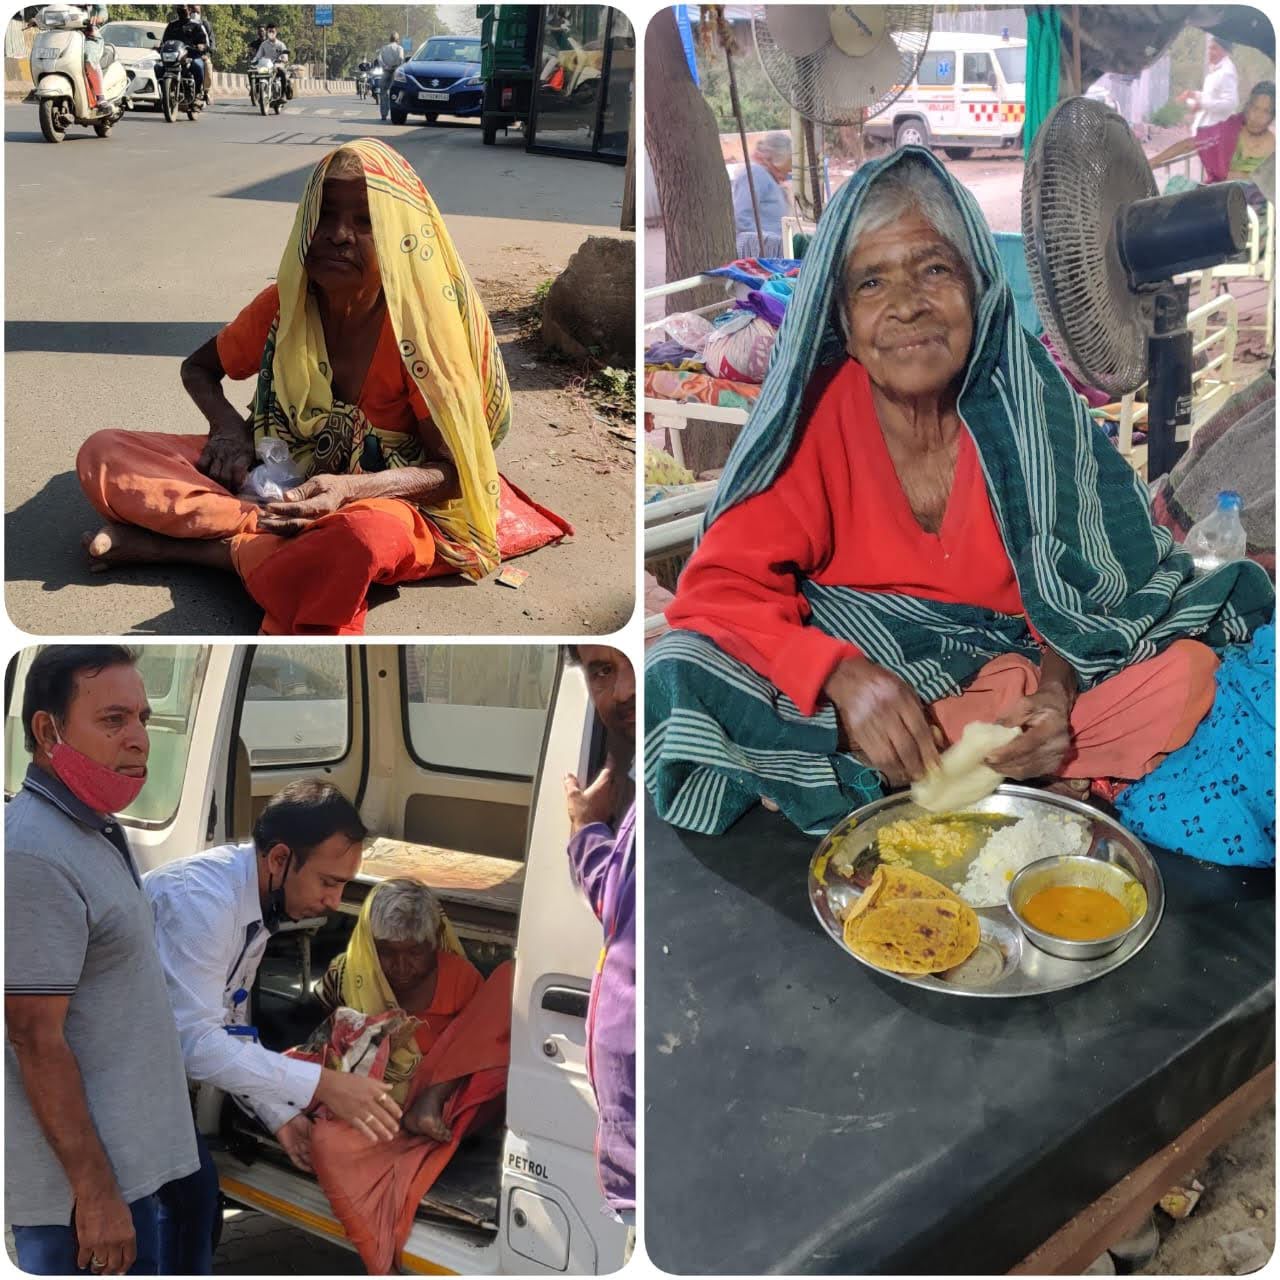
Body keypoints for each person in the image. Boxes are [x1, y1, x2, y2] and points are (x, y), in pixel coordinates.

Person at [646, 148, 1275, 836]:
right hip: (869, 668)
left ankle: (899, 772)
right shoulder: (817, 417)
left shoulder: (1031, 404)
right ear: (845, 327)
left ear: (977, 290)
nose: (908, 306)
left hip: (1014, 676)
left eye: (935, 270)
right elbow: (719, 592)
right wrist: (840, 674)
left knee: (1181, 673)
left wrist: (1055, 698)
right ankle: (936, 761)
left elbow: (1092, 594)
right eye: (871, 284)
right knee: (680, 670)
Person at [76, 140, 569, 634]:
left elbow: (454, 472)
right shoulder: (284, 305)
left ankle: (200, 548)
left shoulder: (420, 335)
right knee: (106, 454)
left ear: (400, 236)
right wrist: (230, 429)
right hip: (277, 469)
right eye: (326, 215)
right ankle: (277, 541)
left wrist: (349, 488)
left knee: (359, 540)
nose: (338, 235)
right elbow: (198, 368)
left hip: (384, 500)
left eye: (364, 222)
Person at [141, 779, 405, 1273]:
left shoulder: (259, 904)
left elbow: (231, 1025)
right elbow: (196, 1044)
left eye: (344, 885)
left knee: (195, 1205)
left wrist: (279, 1117)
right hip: (104, 1081)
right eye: (329, 882)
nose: (335, 901)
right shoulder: (203, 902)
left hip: (148, 1079)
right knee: (170, 1219)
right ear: (280, 859)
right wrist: (324, 1084)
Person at [5, 647, 200, 1276]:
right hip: (83, 1208)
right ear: (47, 730)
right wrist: (94, 1196)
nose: (140, 739)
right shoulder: (34, 856)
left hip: (131, 1175)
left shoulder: (92, 825)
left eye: (143, 718)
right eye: (114, 721)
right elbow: (35, 1041)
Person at [291, 878, 513, 1272]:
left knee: (510, 982)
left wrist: (436, 1089)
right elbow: (325, 1044)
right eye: (388, 954)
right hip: (384, 1109)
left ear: (435, 941)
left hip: (449, 1107)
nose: (402, 966)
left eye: (415, 952)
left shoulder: (459, 976)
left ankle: (428, 1106)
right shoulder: (346, 975)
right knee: (326, 1140)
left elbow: (481, 1045)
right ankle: (382, 1264)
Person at [563, 645, 636, 1257]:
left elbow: (614, 901)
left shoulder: (648, 805)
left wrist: (585, 827)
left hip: (645, 1140)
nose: (622, 693)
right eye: (602, 671)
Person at [1151, 80, 1275, 187]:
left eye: (1266, 111)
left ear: (1273, 115)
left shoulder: (1274, 147)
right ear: (1247, 106)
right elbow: (1188, 144)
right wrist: (1153, 162)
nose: (1257, 117)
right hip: (1221, 199)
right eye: (1255, 108)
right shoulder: (1230, 130)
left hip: (1259, 210)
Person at [732, 132, 793, 258]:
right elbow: (741, 218)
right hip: (761, 255)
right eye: (785, 170)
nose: (786, 175)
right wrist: (769, 243)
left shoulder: (768, 177)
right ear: (774, 161)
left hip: (774, 251)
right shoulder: (756, 173)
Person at [1179, 37, 1239, 131]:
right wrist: (1194, 95)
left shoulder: (1227, 72)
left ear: (1224, 51)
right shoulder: (1216, 70)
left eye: (1214, 48)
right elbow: (1212, 97)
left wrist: (1202, 104)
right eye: (1209, 48)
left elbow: (1230, 103)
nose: (1210, 52)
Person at [160, 4, 206, 100]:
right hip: (175, 57)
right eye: (179, 9)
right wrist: (160, 47)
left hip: (191, 56)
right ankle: (163, 91)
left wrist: (201, 46)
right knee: (158, 67)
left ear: (189, 10)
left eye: (183, 9)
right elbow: (164, 41)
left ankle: (197, 92)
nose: (180, 11)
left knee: (198, 66)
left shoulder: (196, 25)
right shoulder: (172, 25)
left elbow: (204, 42)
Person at [187, 1, 212, 103]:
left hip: (200, 55)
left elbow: (210, 42)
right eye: (191, 8)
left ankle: (205, 92)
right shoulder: (181, 23)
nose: (193, 10)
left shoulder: (204, 24)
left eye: (195, 6)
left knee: (207, 65)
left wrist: (206, 53)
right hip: (183, 55)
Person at [377, 30, 405, 120]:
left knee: (383, 93)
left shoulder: (384, 48)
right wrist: (398, 66)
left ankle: (384, 114)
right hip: (396, 72)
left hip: (386, 71)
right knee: (396, 92)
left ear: (390, 39)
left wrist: (385, 66)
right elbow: (401, 58)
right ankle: (396, 113)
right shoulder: (399, 48)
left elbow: (379, 59)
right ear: (398, 39)